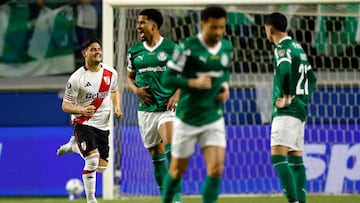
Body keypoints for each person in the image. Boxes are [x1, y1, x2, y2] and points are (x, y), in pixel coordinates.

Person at [161, 5, 233, 203]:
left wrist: (225, 87)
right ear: (202, 24)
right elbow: (168, 79)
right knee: (177, 170)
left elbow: (225, 71)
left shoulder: (227, 47)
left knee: (217, 168)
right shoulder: (187, 47)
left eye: (221, 27)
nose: (218, 32)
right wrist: (192, 83)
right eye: (214, 28)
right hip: (188, 119)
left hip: (213, 118)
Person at [126, 9, 182, 202]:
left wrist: (176, 94)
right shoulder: (134, 51)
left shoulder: (172, 48)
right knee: (155, 154)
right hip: (146, 110)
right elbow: (129, 79)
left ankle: (177, 198)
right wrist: (136, 91)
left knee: (172, 148)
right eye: (137, 22)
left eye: (141, 22)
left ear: (153, 25)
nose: (138, 26)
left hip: (168, 109)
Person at [60, 38, 122, 203]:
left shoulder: (110, 73)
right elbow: (65, 105)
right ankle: (91, 199)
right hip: (84, 123)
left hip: (103, 126)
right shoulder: (76, 79)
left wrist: (117, 107)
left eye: (99, 49)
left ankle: (74, 146)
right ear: (84, 53)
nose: (97, 52)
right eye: (93, 49)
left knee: (101, 167)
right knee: (92, 160)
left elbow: (115, 91)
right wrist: (81, 110)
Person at [264, 12, 317, 203]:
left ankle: (293, 200)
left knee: (278, 158)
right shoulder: (298, 48)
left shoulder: (282, 48)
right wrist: (302, 99)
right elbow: (312, 79)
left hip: (286, 112)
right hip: (299, 111)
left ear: (269, 29)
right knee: (296, 160)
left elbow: (285, 71)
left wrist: (287, 98)